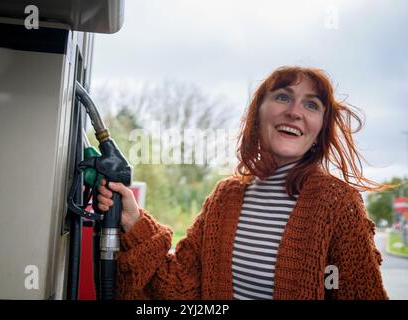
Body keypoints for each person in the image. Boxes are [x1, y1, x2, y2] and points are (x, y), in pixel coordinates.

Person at [97, 66, 390, 300]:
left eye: (311, 104)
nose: (295, 111)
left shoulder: (338, 203)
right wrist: (135, 222)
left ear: (320, 129)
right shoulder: (226, 197)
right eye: (283, 97)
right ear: (258, 114)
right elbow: (178, 285)